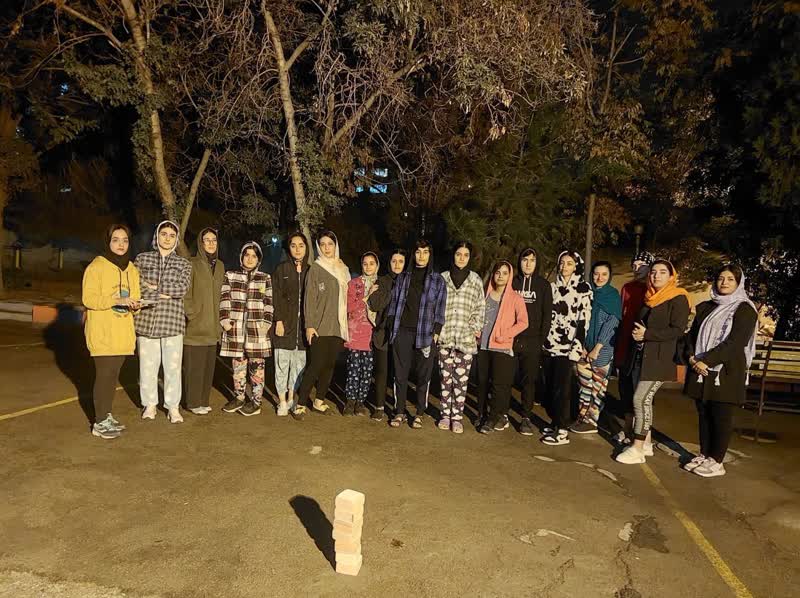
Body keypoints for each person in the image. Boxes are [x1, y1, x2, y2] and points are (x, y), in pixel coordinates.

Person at [684, 264, 758, 477]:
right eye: (721, 278)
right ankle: (705, 454)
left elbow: (736, 342)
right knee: (704, 413)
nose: (724, 282)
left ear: (739, 283)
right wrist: (691, 357)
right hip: (700, 368)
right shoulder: (706, 306)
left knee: (720, 415)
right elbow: (691, 336)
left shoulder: (744, 309)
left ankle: (717, 461)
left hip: (726, 371)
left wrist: (707, 361)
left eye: (730, 279)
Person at [616, 259, 691, 464]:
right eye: (654, 272)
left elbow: (678, 330)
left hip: (659, 360)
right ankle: (646, 443)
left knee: (641, 399)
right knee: (642, 401)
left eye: (662, 272)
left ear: (671, 276)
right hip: (641, 357)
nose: (657, 275)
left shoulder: (678, 297)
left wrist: (647, 334)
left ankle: (637, 448)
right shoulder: (649, 297)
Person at [82, 224, 141, 439]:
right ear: (108, 242)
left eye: (125, 240)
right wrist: (116, 300)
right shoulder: (96, 267)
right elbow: (89, 299)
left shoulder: (131, 269)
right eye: (116, 240)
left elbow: (134, 296)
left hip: (122, 333)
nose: (121, 244)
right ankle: (99, 422)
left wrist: (136, 305)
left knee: (112, 377)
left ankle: (106, 414)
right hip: (103, 333)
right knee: (104, 376)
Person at [134, 220, 192, 423]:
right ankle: (149, 404)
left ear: (177, 240)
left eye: (171, 235)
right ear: (156, 236)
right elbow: (137, 285)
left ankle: (172, 407)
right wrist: (164, 291)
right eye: (164, 234)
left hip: (172, 322)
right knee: (147, 367)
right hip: (147, 322)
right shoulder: (142, 259)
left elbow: (182, 289)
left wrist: (154, 287)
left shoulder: (183, 264)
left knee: (172, 369)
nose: (167, 238)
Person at [387, 239, 446, 429]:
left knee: (423, 376)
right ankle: (399, 412)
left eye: (425, 252)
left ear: (430, 255)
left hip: (425, 334)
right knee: (400, 375)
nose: (421, 256)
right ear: (413, 254)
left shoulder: (438, 280)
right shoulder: (403, 277)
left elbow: (440, 310)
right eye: (418, 252)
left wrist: (436, 333)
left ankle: (420, 412)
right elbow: (393, 303)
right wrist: (392, 326)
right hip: (402, 332)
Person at [293, 231, 350, 420]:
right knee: (316, 365)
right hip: (319, 326)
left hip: (338, 326)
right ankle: (300, 403)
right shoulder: (316, 269)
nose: (326, 248)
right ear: (318, 247)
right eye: (323, 244)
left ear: (336, 245)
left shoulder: (343, 269)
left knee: (329, 365)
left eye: (330, 244)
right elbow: (309, 299)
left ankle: (319, 401)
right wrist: (309, 325)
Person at [541, 250, 592, 446]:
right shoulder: (552, 287)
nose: (564, 267)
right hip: (549, 345)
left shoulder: (583, 288)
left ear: (576, 266)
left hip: (568, 347)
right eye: (562, 263)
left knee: (563, 389)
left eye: (569, 263)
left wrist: (576, 347)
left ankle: (562, 430)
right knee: (550, 387)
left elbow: (583, 321)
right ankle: (555, 422)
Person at [219, 242, 273, 416]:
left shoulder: (265, 278)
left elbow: (269, 303)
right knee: (238, 368)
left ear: (259, 259)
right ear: (241, 257)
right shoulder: (231, 275)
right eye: (247, 255)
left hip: (257, 330)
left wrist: (266, 324)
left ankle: (256, 402)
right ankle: (239, 397)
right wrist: (226, 322)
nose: (250, 259)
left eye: (254, 256)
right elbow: (225, 300)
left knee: (257, 368)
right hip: (236, 330)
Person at [437, 242, 485, 434]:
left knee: (460, 382)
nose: (462, 258)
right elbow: (435, 305)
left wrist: (473, 328)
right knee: (445, 379)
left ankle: (457, 417)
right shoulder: (442, 278)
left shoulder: (475, 280)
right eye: (458, 254)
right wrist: (438, 329)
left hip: (465, 339)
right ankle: (445, 414)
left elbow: (480, 307)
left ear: (470, 258)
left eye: (465, 255)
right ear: (453, 255)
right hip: (446, 337)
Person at [477, 260, 529, 434]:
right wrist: (477, 332)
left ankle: (492, 419)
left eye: (505, 273)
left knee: (498, 386)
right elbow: (478, 315)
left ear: (510, 276)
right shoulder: (485, 295)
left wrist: (505, 334)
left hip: (501, 347)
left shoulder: (515, 298)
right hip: (483, 346)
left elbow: (523, 322)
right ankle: (481, 414)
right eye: (498, 272)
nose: (500, 276)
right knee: (482, 382)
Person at [571, 261, 621, 434]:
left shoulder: (612, 296)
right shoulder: (588, 293)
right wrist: (582, 346)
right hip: (584, 348)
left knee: (597, 388)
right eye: (596, 274)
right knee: (584, 386)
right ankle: (582, 417)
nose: (599, 278)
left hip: (602, 350)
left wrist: (596, 348)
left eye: (604, 274)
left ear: (609, 276)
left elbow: (611, 324)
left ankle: (592, 421)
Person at [614, 251, 655, 444]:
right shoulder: (627, 288)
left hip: (643, 348)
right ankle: (627, 428)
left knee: (642, 395)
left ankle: (644, 435)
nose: (637, 268)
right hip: (625, 343)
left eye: (642, 265)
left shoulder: (653, 290)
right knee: (625, 389)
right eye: (635, 265)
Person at [511, 247, 553, 436]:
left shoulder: (543, 285)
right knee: (506, 378)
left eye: (532, 260)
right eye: (524, 260)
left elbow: (547, 315)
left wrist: (540, 340)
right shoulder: (513, 282)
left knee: (529, 381)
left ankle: (526, 417)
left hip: (533, 341)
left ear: (537, 263)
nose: (528, 264)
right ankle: (500, 413)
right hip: (511, 339)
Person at [183, 228, 225, 415]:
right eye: (206, 240)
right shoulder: (192, 263)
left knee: (208, 369)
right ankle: (193, 402)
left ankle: (203, 400)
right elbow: (185, 293)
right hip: (196, 327)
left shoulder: (220, 266)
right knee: (195, 369)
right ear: (200, 243)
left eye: (213, 240)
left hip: (213, 327)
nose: (211, 243)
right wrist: (192, 313)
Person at [366, 249, 407, 421]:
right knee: (381, 371)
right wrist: (392, 292)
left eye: (400, 261)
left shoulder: (409, 281)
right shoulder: (382, 281)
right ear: (389, 263)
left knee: (399, 372)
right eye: (393, 261)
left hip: (402, 333)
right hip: (383, 333)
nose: (397, 265)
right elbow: (375, 304)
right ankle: (379, 406)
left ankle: (399, 409)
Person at [271, 232, 310, 416]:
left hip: (302, 330)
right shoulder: (282, 269)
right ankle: (282, 401)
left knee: (298, 366)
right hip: (284, 326)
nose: (297, 249)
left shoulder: (311, 270)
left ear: (306, 247)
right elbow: (275, 296)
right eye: (293, 246)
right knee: (281, 365)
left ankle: (292, 397)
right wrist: (278, 320)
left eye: (301, 245)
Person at [343, 252, 380, 416]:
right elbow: (349, 307)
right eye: (365, 263)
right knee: (353, 369)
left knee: (366, 372)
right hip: (355, 333)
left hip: (371, 335)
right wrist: (367, 296)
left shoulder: (380, 284)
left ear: (377, 265)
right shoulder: (354, 284)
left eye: (372, 263)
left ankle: (360, 402)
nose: (368, 267)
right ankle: (350, 401)